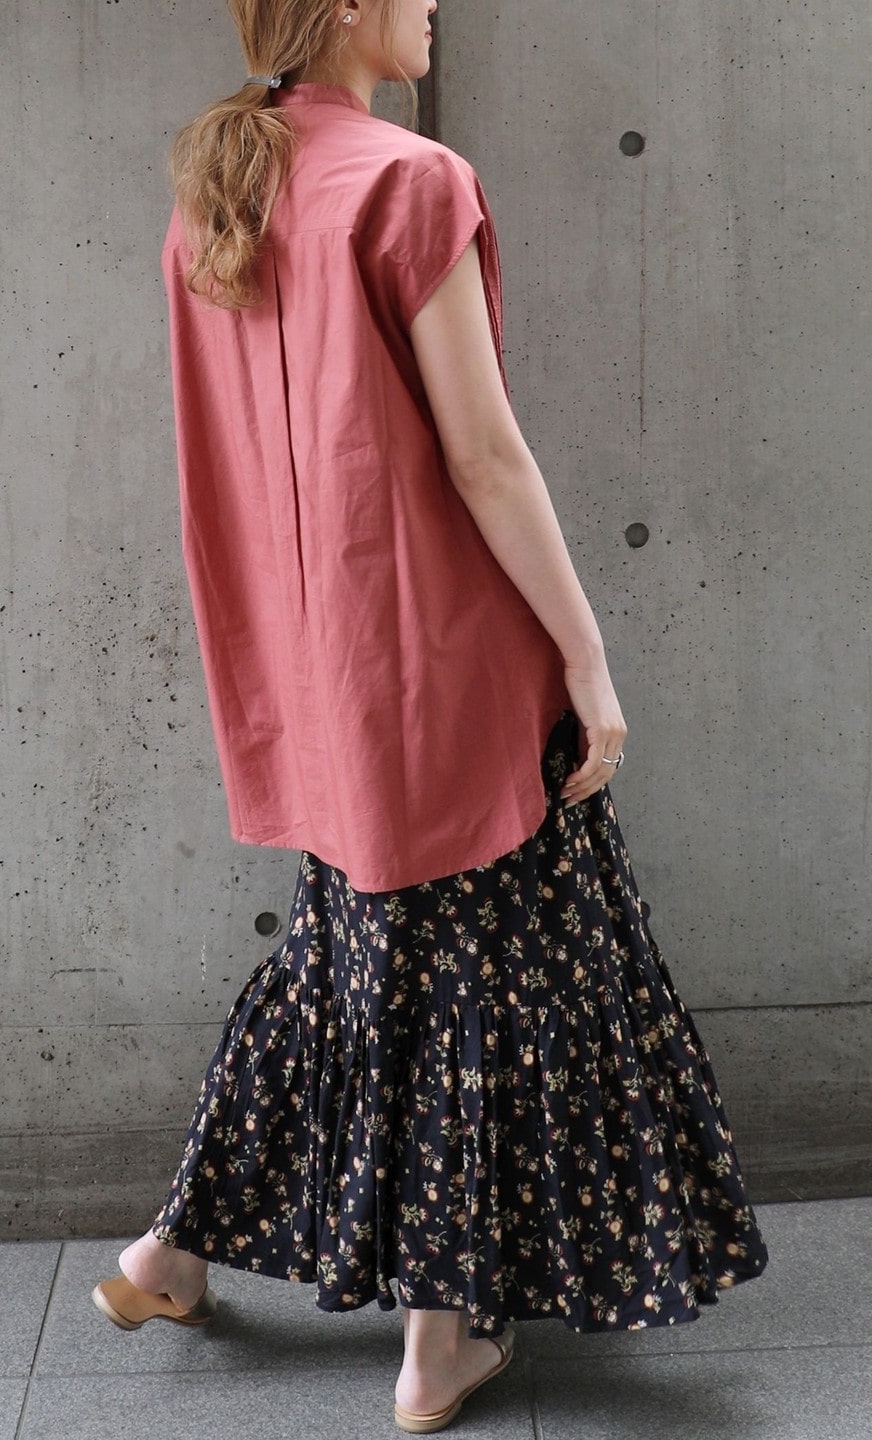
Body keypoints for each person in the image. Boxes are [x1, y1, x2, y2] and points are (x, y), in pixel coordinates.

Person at [92, 0, 769, 1431]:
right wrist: (586, 658)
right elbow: (483, 455)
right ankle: (437, 1344)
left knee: (350, 963)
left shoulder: (224, 187)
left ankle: (169, 1253)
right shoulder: (410, 181)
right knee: (474, 987)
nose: (435, 3)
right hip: (442, 668)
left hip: (311, 672)